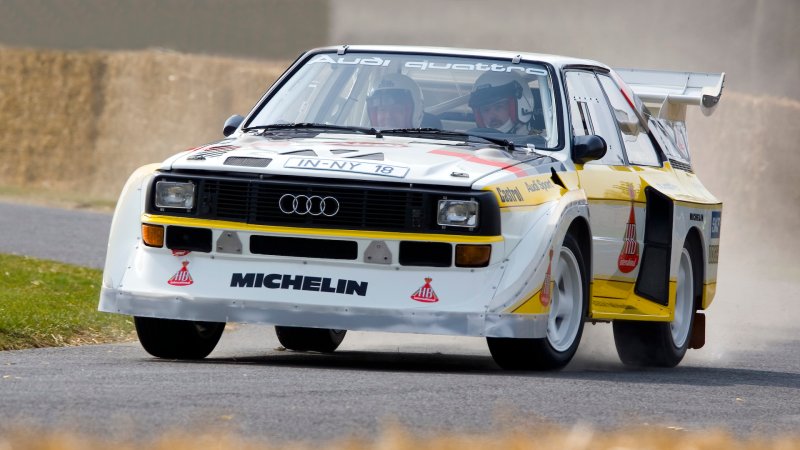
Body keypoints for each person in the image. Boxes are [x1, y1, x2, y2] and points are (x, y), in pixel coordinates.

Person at [468, 71, 535, 134]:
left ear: (521, 106)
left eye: (498, 107)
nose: (492, 115)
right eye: (486, 110)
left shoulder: (539, 144)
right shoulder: (472, 142)